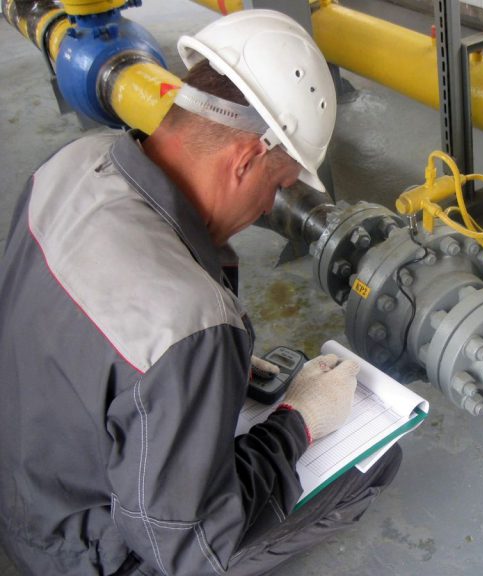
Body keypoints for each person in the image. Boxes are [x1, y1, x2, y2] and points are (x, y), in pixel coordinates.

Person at [0, 10, 401, 576]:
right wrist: (299, 420)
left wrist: (196, 375)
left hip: (21, 491)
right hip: (79, 556)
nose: (267, 209)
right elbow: (189, 542)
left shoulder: (70, 165)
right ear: (246, 160)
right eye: (279, 185)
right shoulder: (189, 322)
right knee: (374, 464)